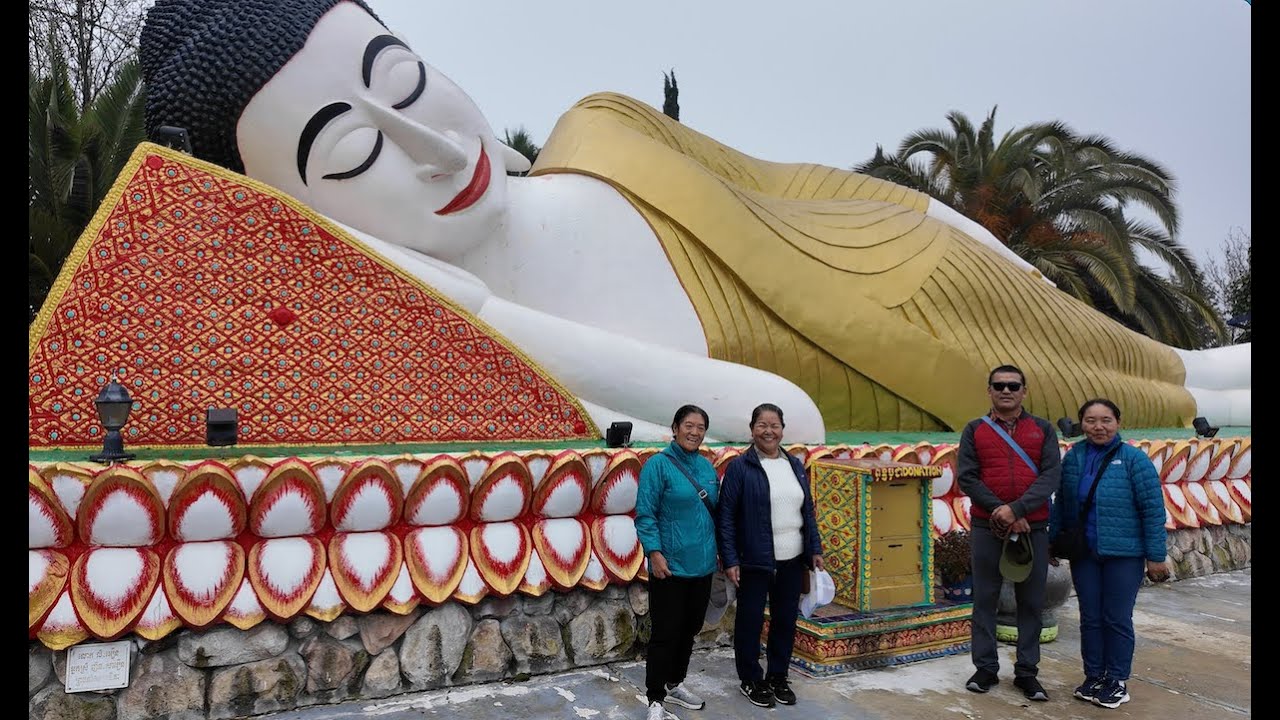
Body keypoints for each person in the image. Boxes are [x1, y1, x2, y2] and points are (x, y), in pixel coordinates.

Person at [138, 0, 1251, 441]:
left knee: (1178, 369)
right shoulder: (497, 342)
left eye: (404, 78)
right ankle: (1193, 390)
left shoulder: (603, 127)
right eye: (350, 154)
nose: (431, 143)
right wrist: (435, 301)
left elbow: (812, 187)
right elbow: (786, 419)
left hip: (899, 251)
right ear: (289, 217)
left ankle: (1186, 371)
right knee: (1188, 403)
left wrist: (957, 233)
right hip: (909, 364)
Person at [1049, 398, 1169, 710]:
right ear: (1082, 424)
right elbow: (1062, 503)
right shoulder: (1074, 458)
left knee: (1116, 618)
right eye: (1091, 421)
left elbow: (1152, 510)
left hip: (1124, 554)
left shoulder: (1134, 460)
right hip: (1085, 553)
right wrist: (1052, 542)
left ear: (1118, 423)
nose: (1098, 427)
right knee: (1090, 617)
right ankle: (1094, 675)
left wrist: (1156, 556)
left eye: (1106, 420)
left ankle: (1116, 680)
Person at [956, 365, 1061, 701]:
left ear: (1024, 391)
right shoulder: (975, 430)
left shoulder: (1042, 429)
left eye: (1013, 386)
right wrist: (1002, 511)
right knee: (984, 599)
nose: (1006, 391)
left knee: (1030, 601)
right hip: (988, 526)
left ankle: (1027, 672)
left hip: (1033, 526)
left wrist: (1017, 510)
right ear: (989, 390)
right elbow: (967, 477)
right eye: (999, 385)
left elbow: (1050, 475)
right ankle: (985, 667)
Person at [717, 404, 823, 708]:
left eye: (774, 425)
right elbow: (726, 517)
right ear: (752, 430)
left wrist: (814, 549)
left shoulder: (795, 465)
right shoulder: (740, 468)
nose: (768, 431)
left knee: (785, 621)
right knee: (750, 622)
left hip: (793, 559)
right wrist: (730, 559)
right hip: (753, 559)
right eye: (762, 425)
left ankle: (778, 676)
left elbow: (807, 511)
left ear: (782, 430)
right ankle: (751, 678)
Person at [634, 405, 719, 720]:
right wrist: (654, 552)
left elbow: (717, 513)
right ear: (675, 428)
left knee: (690, 628)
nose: (694, 432)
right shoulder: (657, 466)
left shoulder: (707, 468)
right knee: (665, 632)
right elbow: (645, 514)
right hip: (669, 566)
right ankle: (655, 697)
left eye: (700, 428)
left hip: (703, 565)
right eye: (688, 425)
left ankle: (675, 683)